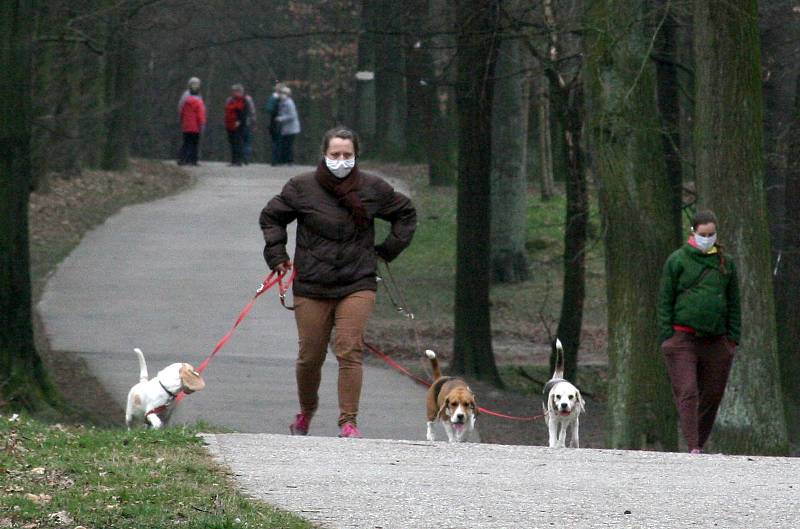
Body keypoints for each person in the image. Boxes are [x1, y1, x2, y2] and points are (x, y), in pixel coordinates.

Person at [259, 127, 417, 438]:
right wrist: (277, 255)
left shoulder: (373, 188)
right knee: (310, 357)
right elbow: (272, 216)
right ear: (324, 155)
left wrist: (387, 251)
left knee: (349, 350)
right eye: (335, 155)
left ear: (356, 156)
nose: (341, 161)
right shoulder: (301, 187)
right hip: (312, 285)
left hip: (357, 282)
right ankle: (306, 412)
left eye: (347, 155)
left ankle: (349, 422)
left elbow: (405, 214)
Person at [657, 210, 741, 454]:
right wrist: (667, 335)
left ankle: (699, 442)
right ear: (693, 232)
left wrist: (732, 339)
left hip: (716, 340)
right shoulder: (677, 260)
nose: (708, 238)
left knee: (713, 394)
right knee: (688, 391)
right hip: (682, 338)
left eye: (711, 234)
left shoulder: (726, 263)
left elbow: (734, 303)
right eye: (703, 234)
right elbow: (664, 300)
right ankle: (692, 445)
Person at [177, 77, 206, 166]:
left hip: (187, 123)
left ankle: (184, 158)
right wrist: (202, 122)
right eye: (193, 84)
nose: (195, 86)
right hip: (195, 125)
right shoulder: (188, 96)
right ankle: (191, 159)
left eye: (197, 84)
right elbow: (200, 112)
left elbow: (181, 109)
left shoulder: (197, 96)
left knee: (187, 142)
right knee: (193, 143)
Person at [274, 85, 300, 165]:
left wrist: (281, 118)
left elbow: (292, 115)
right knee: (285, 144)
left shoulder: (289, 103)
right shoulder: (283, 102)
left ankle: (289, 160)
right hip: (286, 128)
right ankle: (284, 160)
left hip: (291, 128)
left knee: (288, 145)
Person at [224, 84, 247, 166]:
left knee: (238, 143)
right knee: (232, 143)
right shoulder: (230, 100)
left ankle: (238, 161)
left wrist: (239, 121)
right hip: (230, 124)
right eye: (234, 91)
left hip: (238, 124)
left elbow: (243, 113)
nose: (236, 93)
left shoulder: (243, 100)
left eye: (238, 91)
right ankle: (233, 160)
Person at [265, 83, 284, 166]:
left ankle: (276, 159)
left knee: (276, 141)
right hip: (275, 122)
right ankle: (275, 160)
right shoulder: (275, 99)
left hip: (274, 122)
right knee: (276, 141)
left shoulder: (274, 98)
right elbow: (270, 109)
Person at [242, 90, 257, 165]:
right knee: (247, 142)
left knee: (244, 141)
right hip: (247, 123)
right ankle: (246, 158)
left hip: (243, 123)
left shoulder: (235, 99)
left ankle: (244, 157)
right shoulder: (248, 99)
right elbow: (252, 112)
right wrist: (254, 123)